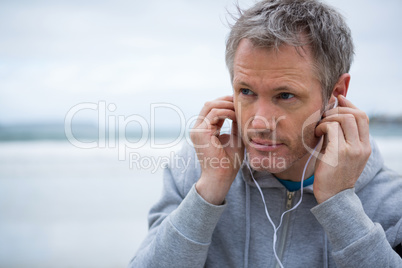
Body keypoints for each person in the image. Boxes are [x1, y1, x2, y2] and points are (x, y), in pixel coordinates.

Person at [129, 0, 402, 267]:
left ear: (336, 93)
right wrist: (209, 192)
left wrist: (339, 207)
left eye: (285, 95)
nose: (259, 123)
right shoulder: (196, 170)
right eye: (246, 91)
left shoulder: (391, 203)